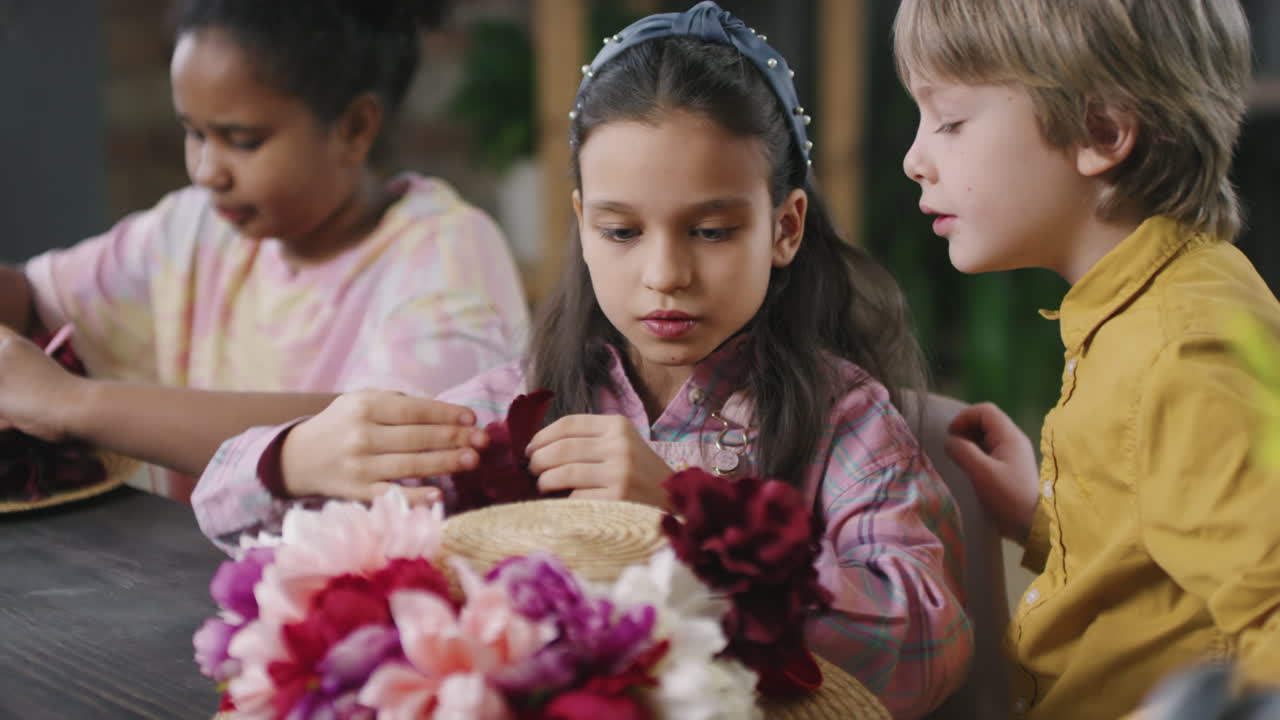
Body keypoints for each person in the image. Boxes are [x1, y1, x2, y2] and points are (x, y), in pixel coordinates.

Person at [194, 3, 974, 716]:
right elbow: (225, 509)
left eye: (710, 230)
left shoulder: (845, 418)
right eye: (622, 231)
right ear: (581, 224)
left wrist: (688, 515)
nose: (665, 273)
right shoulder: (523, 400)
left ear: (785, 227)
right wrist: (296, 455)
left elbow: (930, 646)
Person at [895, 0, 1280, 717]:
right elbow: (1162, 560)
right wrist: (1043, 514)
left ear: (1102, 131)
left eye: (949, 121)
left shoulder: (1185, 350)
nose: (915, 159)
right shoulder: (1146, 307)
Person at [0, 0, 528, 501]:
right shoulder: (194, 229)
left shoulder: (446, 253)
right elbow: (29, 298)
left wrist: (72, 403)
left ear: (355, 127)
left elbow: (379, 439)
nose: (208, 171)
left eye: (243, 140)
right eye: (194, 134)